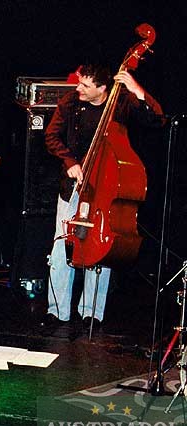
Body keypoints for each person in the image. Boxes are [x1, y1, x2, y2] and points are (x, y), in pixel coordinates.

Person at [43, 64, 164, 337]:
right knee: (62, 244)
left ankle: (91, 311)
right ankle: (57, 310)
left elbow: (157, 119)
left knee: (100, 244)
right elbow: (51, 136)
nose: (78, 88)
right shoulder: (71, 102)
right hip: (73, 184)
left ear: (102, 88)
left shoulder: (121, 102)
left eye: (85, 85)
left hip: (106, 187)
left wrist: (136, 89)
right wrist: (70, 161)